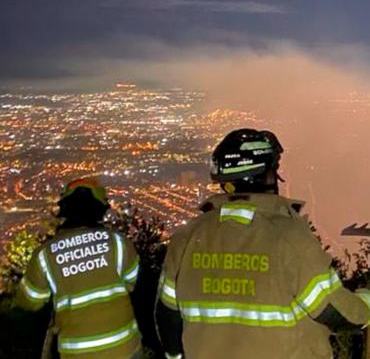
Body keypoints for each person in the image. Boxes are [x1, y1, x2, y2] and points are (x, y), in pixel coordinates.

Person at [155, 129, 370, 359]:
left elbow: (167, 316)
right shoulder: (288, 237)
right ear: (264, 176)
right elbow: (337, 312)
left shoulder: (187, 237)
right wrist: (366, 302)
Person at [15, 178, 141, 359]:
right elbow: (131, 283)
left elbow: (29, 301)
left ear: (65, 209)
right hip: (125, 347)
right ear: (100, 209)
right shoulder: (117, 243)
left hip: (77, 353)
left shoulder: (46, 254)